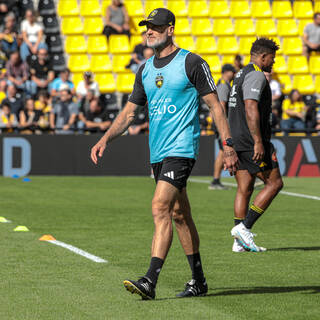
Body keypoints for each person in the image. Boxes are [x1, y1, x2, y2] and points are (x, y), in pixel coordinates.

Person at [91, 8, 238, 300]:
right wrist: (105, 138)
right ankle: (198, 281)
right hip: (157, 153)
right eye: (147, 26)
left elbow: (215, 106)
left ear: (170, 29)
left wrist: (228, 145)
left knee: (160, 207)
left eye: (156, 27)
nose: (149, 31)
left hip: (181, 149)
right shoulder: (144, 69)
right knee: (179, 215)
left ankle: (149, 280)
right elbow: (130, 112)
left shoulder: (192, 62)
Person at [229, 38, 284, 253]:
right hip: (252, 141)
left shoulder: (240, 74)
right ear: (263, 56)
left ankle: (238, 242)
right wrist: (259, 141)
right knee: (275, 183)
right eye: (272, 58)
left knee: (245, 187)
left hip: (238, 138)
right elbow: (251, 107)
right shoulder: (256, 75)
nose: (273, 62)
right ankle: (245, 227)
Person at [208, 64, 235, 190]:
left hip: (220, 122)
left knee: (221, 151)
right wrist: (224, 124)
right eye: (232, 72)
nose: (234, 74)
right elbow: (222, 105)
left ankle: (216, 180)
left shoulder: (221, 84)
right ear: (227, 72)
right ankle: (215, 180)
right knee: (223, 150)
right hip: (222, 123)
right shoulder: (224, 85)